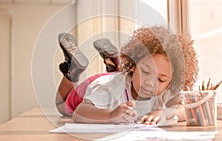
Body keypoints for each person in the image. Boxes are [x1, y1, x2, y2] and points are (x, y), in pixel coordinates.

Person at [55, 26, 186, 124]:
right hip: (96, 84)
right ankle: (73, 70)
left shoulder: (165, 91)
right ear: (133, 64)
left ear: (169, 82)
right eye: (145, 72)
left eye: (161, 79)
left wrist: (164, 112)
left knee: (123, 79)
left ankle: (115, 64)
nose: (150, 83)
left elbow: (185, 109)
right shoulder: (109, 88)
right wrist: (110, 115)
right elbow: (79, 113)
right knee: (61, 104)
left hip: (121, 77)